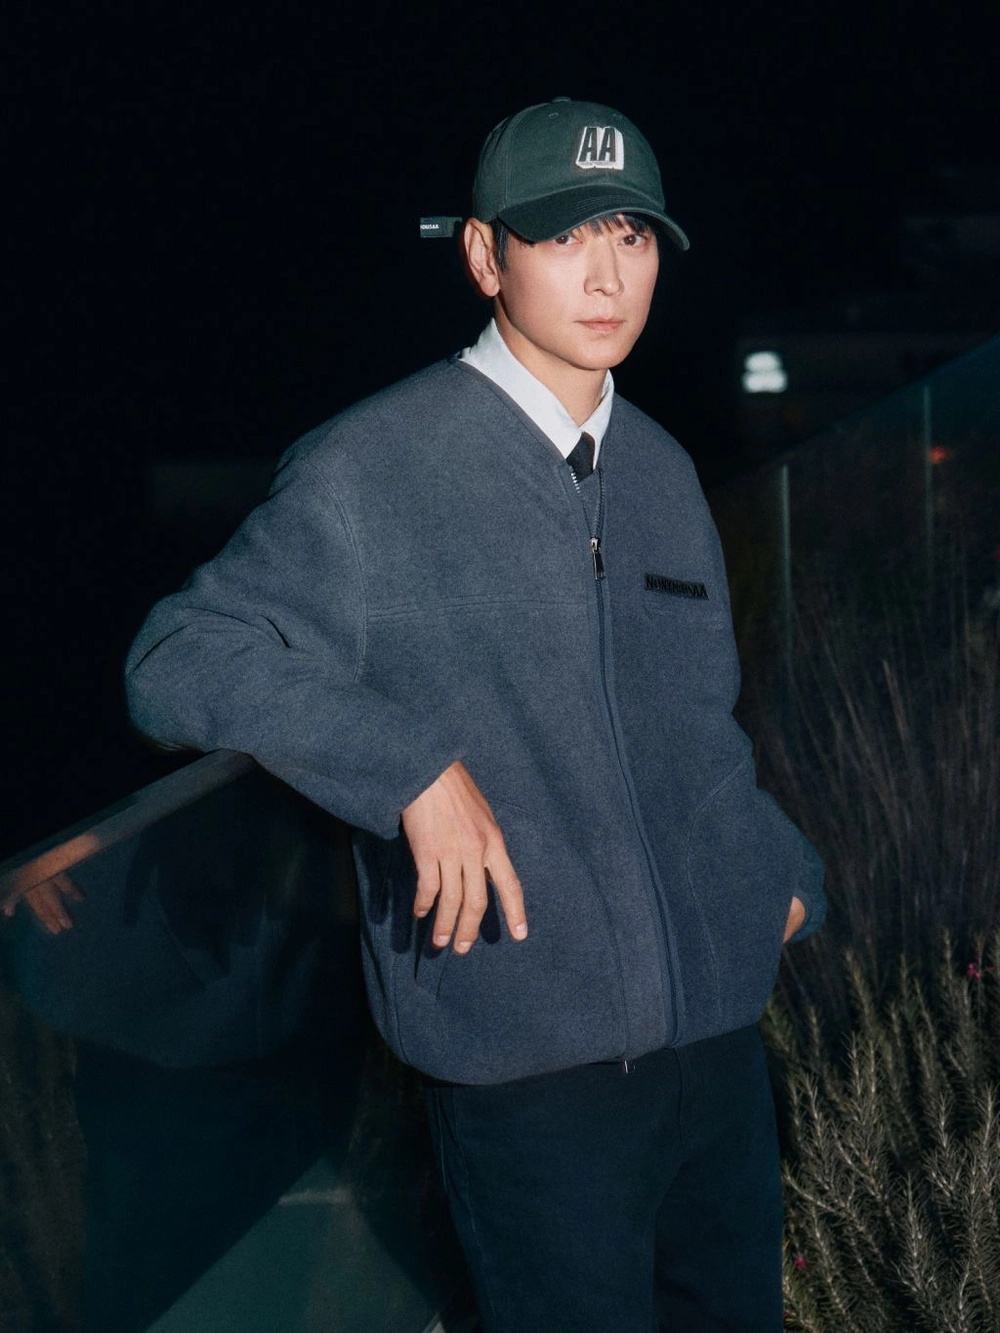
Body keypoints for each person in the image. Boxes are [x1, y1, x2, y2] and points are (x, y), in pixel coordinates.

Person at [125, 97, 826, 1331]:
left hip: (717, 1056)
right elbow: (178, 657)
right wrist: (404, 766)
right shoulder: (369, 468)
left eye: (631, 235)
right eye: (563, 236)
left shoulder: (662, 470)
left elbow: (700, 732)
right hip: (529, 1077)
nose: (607, 275)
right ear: (484, 256)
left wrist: (779, 876)